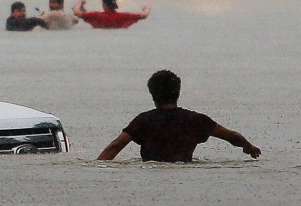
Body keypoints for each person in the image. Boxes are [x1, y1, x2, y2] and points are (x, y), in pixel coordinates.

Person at [98, 69, 261, 162]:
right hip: (185, 168)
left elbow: (116, 145)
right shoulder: (196, 120)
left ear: (153, 95)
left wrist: (97, 166)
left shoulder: (143, 121)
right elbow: (232, 136)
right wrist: (248, 147)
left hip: (150, 172)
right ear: (178, 93)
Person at [73, 0, 149, 29]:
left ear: (104, 4)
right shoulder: (124, 16)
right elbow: (144, 15)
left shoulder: (96, 16)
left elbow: (76, 12)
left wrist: (80, 2)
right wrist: (146, 7)